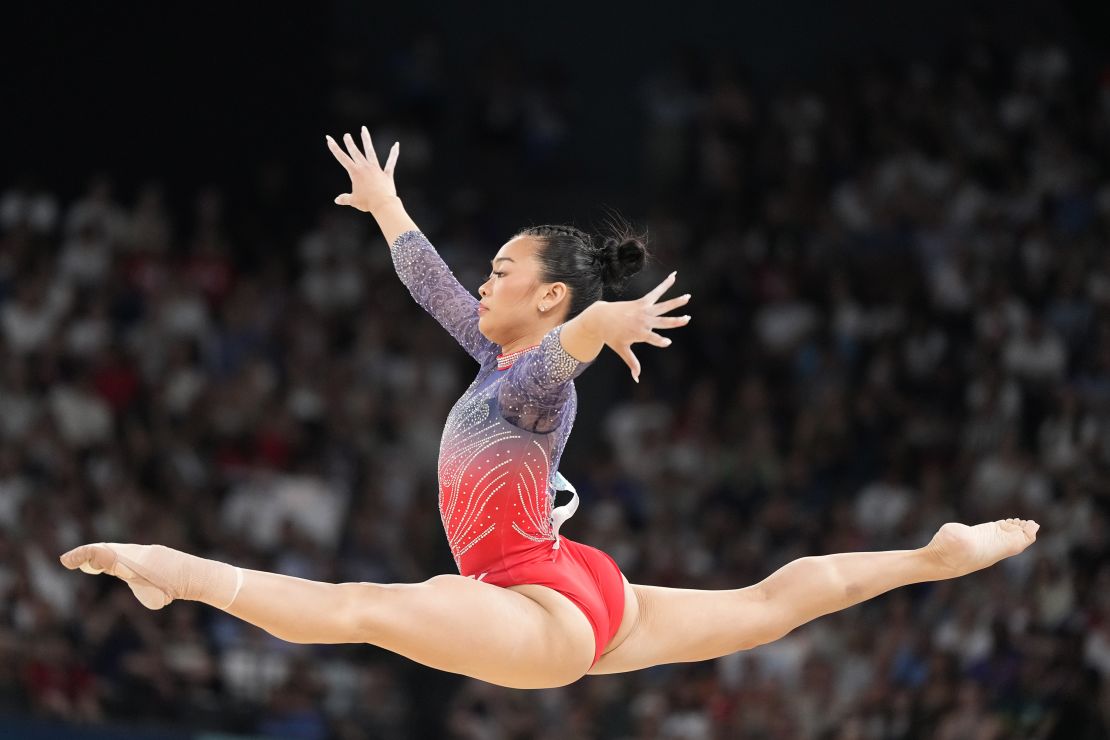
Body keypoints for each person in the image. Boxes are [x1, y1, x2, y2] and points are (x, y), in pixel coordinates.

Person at [60, 128, 1040, 690]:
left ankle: (171, 571)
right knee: (768, 603)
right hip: (574, 586)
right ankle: (930, 557)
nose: (481, 283)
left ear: (550, 297)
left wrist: (601, 321)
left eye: (502, 271)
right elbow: (430, 285)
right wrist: (389, 204)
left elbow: (558, 362)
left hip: (536, 600)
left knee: (360, 608)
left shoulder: (530, 383)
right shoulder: (495, 357)